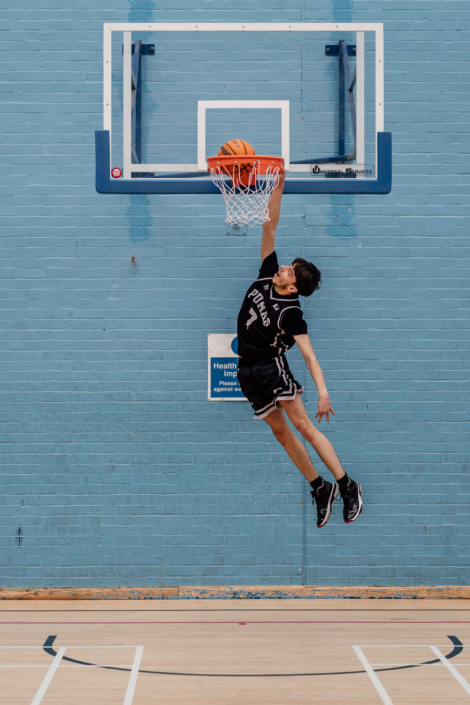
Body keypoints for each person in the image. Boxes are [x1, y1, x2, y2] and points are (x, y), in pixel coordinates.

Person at [236, 169, 362, 528]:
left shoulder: (291, 314)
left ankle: (346, 483)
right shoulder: (266, 274)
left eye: (289, 272)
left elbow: (308, 354)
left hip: (271, 367)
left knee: (303, 425)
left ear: (294, 288)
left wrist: (323, 392)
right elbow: (268, 227)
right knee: (280, 433)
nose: (283, 269)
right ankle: (320, 487)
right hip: (247, 370)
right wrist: (278, 186)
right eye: (287, 267)